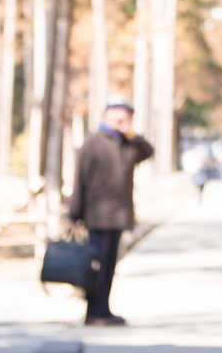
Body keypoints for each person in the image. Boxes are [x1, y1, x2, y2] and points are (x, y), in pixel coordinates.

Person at [66, 97, 154, 328]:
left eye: (125, 116)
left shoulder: (127, 144)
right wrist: (74, 211)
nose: (120, 119)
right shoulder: (93, 141)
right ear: (106, 115)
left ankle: (103, 309)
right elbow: (80, 178)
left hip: (119, 216)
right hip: (97, 215)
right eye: (116, 114)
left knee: (109, 267)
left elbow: (148, 152)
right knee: (96, 265)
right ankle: (93, 310)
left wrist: (131, 134)